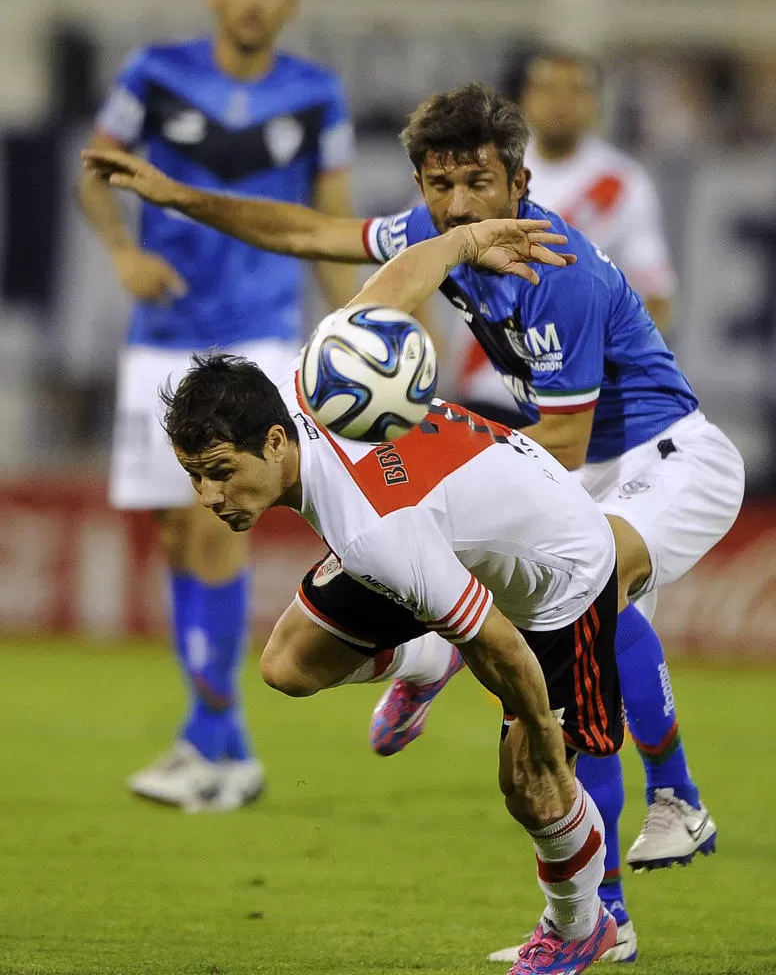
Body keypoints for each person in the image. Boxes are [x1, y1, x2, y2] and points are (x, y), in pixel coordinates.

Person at [82, 83, 745, 963]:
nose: (457, 203)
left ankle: (672, 803)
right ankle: (434, 651)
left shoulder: (561, 275)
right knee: (457, 594)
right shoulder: (445, 240)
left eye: (476, 183)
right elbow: (307, 234)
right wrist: (180, 198)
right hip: (544, 471)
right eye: (440, 186)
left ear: (520, 179)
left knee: (594, 592)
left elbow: (563, 439)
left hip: (664, 458)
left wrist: (415, 434)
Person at [161, 206, 626, 974]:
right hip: (447, 532)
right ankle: (424, 656)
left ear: (275, 442)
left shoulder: (375, 532)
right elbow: (393, 286)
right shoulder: (317, 376)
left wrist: (541, 731)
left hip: (556, 575)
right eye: (196, 477)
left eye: (220, 473)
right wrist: (467, 242)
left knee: (530, 784)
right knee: (289, 666)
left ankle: (579, 928)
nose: (210, 497)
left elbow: (500, 643)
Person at [78, 0, 357, 811]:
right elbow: (96, 172)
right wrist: (120, 251)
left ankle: (221, 742)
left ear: (290, 0)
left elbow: (328, 222)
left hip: (259, 338)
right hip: (159, 335)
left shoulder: (318, 95)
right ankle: (212, 739)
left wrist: (355, 317)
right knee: (171, 532)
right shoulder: (155, 75)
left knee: (213, 525)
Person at [458, 49, 678, 425]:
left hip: (576, 394)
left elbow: (655, 295)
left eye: (575, 90)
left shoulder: (621, 184)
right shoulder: (484, 173)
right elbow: (416, 252)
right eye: (547, 88)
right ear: (524, 98)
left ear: (595, 104)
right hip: (487, 384)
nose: (560, 102)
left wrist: (613, 366)